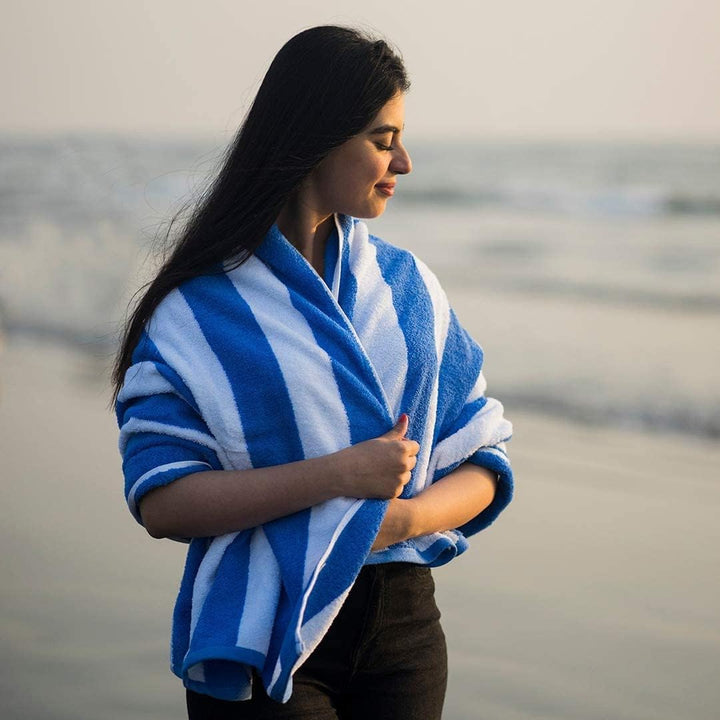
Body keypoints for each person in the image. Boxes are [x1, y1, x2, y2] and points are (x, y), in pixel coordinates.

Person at [113, 25, 513, 720]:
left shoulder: (408, 289)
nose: (405, 162)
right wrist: (341, 477)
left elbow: (483, 454)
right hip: (261, 626)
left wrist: (403, 519)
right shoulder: (201, 310)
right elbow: (163, 502)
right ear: (317, 137)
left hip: (403, 628)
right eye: (383, 141)